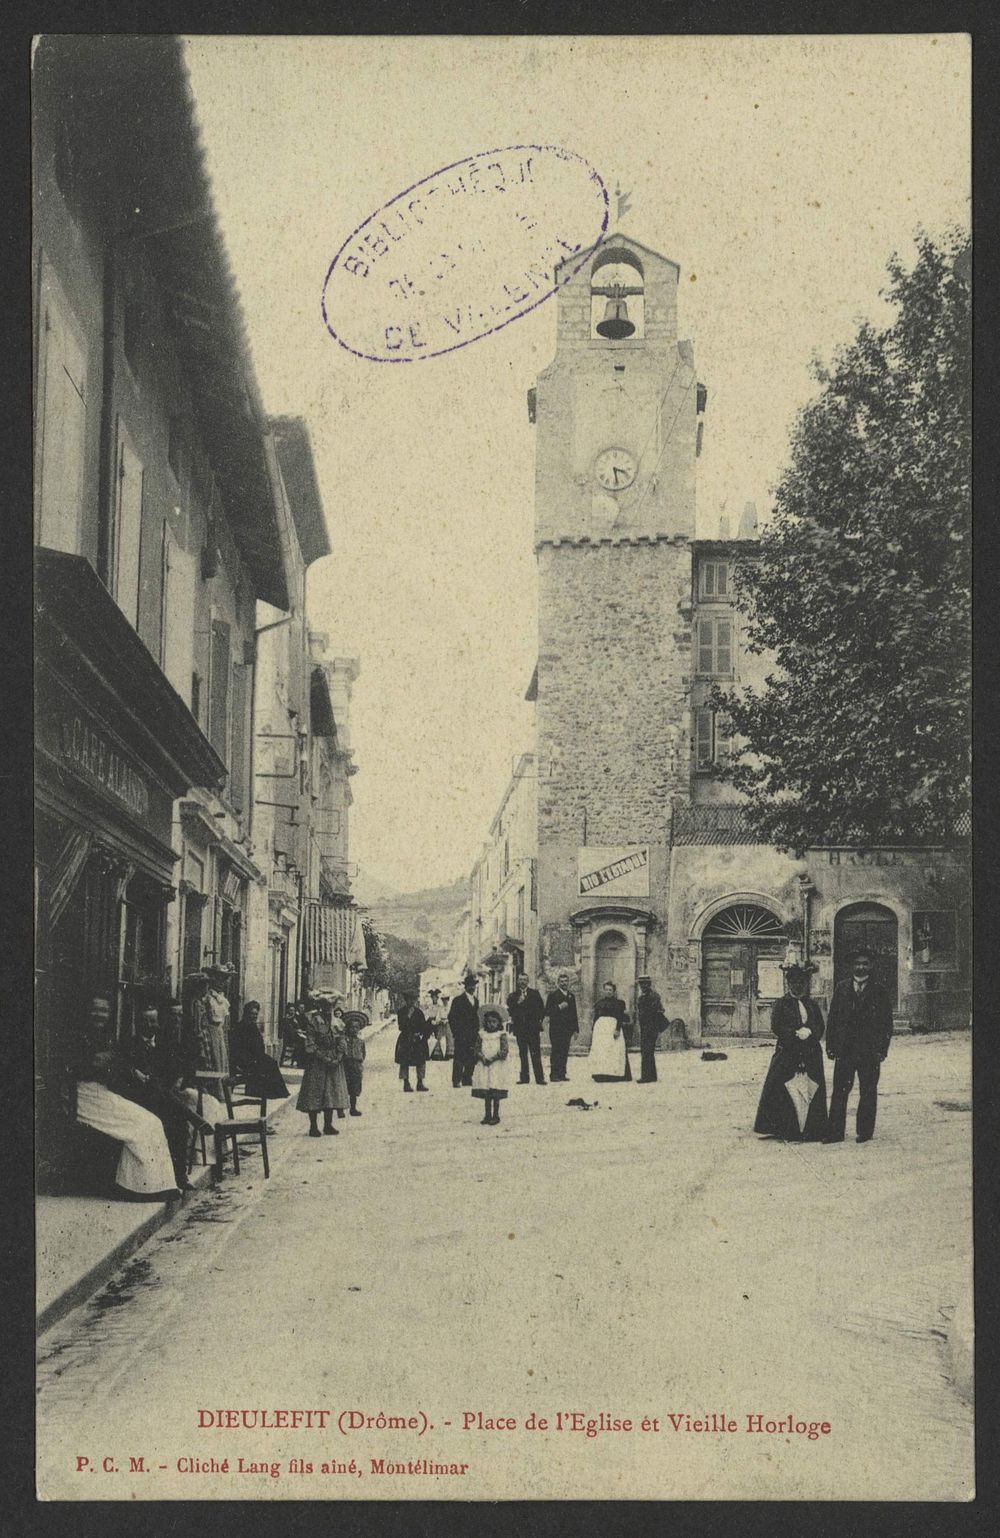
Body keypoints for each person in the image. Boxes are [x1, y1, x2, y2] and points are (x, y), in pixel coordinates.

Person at [72, 997, 183, 1200]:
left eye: (104, 1011)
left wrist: (125, 1070)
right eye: (95, 1010)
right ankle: (134, 1187)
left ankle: (156, 1184)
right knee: (143, 1125)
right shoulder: (78, 1036)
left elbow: (113, 1065)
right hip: (82, 1095)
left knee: (151, 1122)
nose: (99, 1015)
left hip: (103, 1092)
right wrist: (109, 1064)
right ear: (87, 1012)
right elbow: (89, 1066)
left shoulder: (107, 1037)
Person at [824, 949, 893, 1144]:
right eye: (857, 963)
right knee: (840, 1090)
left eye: (865, 963)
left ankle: (864, 1132)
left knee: (868, 1090)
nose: (861, 967)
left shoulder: (879, 990)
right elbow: (833, 1019)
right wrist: (831, 1046)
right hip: (845, 1050)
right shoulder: (841, 988)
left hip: (869, 1051)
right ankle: (835, 1132)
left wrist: (882, 1049)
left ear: (871, 966)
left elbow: (886, 1023)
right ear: (851, 966)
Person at [753, 965, 828, 1141]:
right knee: (783, 1089)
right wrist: (794, 1034)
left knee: (812, 1089)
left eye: (801, 982)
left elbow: (820, 1025)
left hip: (810, 1053)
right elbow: (776, 1026)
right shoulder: (781, 1004)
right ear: (788, 984)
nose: (797, 986)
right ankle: (786, 1128)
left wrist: (811, 1032)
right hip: (788, 1051)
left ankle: (812, 1128)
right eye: (794, 982)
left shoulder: (812, 1004)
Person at [296, 1006, 348, 1135]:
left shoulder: (337, 1022)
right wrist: (323, 1058)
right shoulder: (314, 1022)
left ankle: (328, 1125)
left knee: (330, 1092)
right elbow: (310, 1042)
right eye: (324, 1006)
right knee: (314, 1092)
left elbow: (342, 1039)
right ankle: (313, 1126)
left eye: (329, 1007)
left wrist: (339, 1057)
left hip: (334, 1060)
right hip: (317, 1062)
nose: (327, 1011)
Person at [229, 1000, 290, 1102]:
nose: (254, 1016)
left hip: (256, 1056)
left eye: (256, 1014)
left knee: (272, 1062)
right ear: (246, 1013)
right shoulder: (240, 1027)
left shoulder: (253, 1026)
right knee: (268, 1064)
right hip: (244, 1058)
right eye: (252, 1013)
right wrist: (252, 1058)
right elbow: (238, 1048)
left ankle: (272, 1091)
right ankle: (258, 1090)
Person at [472, 1007, 513, 1125]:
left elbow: (504, 1050)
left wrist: (494, 1058)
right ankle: (487, 1115)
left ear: (499, 1023)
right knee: (486, 1091)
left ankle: (496, 1115)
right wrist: (482, 1057)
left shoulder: (501, 1035)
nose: (491, 1024)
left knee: (495, 1090)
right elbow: (477, 1049)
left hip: (497, 1066)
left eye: (494, 1022)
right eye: (489, 1022)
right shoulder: (481, 1034)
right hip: (484, 1065)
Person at [587, 982, 633, 1082]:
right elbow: (596, 1017)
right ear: (603, 990)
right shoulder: (599, 1003)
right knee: (601, 1050)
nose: (608, 992)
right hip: (601, 1030)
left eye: (610, 990)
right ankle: (600, 1074)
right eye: (606, 990)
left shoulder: (619, 1003)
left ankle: (614, 1074)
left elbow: (620, 1017)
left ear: (614, 991)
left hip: (612, 1028)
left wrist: (617, 1029)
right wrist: (593, 1029)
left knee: (613, 1049)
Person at [507, 973, 547, 1085]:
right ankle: (524, 1078)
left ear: (528, 981)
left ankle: (540, 1078)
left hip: (533, 1029)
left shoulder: (534, 994)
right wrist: (518, 1002)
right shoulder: (513, 996)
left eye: (525, 980)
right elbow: (510, 1011)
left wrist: (538, 1020)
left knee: (536, 1053)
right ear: (517, 981)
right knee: (523, 1054)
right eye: (520, 980)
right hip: (520, 1029)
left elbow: (541, 1009)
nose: (522, 982)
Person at [543, 973, 579, 1083]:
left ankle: (562, 1074)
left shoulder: (571, 996)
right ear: (558, 983)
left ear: (568, 983)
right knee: (556, 1051)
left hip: (567, 1029)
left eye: (566, 981)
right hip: (556, 1028)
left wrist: (576, 1030)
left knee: (564, 1051)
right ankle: (554, 1075)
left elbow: (574, 1014)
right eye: (562, 981)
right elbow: (547, 1011)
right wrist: (559, 1007)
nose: (564, 983)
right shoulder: (553, 995)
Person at [448, 974, 480, 1088]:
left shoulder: (476, 1001)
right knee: (459, 1057)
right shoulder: (458, 1000)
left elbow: (477, 1018)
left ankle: (467, 1078)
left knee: (472, 1057)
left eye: (473, 986)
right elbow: (451, 1017)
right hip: (461, 1034)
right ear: (465, 986)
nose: (472, 988)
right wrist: (456, 1032)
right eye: (469, 985)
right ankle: (456, 1080)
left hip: (473, 1034)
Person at [395, 993, 431, 1092]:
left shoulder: (419, 1012)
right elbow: (401, 1026)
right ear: (406, 1000)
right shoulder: (401, 1012)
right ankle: (406, 1083)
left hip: (417, 1039)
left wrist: (420, 1034)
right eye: (409, 999)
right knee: (404, 1061)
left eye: (413, 999)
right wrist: (408, 1018)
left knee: (420, 1060)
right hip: (406, 1039)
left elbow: (423, 1026)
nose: (411, 1002)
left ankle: (420, 1082)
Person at [636, 975, 668, 1083]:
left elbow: (659, 1010)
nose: (642, 986)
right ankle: (651, 1076)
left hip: (651, 1027)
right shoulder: (644, 997)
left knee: (647, 1051)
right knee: (647, 1051)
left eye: (644, 984)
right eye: (641, 984)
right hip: (645, 1027)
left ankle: (646, 1076)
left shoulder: (652, 996)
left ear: (649, 984)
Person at [342, 1012, 367, 1115]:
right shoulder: (343, 1039)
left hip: (356, 1066)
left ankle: (353, 1108)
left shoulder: (360, 1041)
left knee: (354, 1088)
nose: (354, 1030)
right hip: (345, 1065)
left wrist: (359, 1062)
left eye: (357, 1028)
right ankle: (341, 1109)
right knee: (343, 1087)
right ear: (347, 1028)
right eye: (352, 1027)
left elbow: (363, 1054)